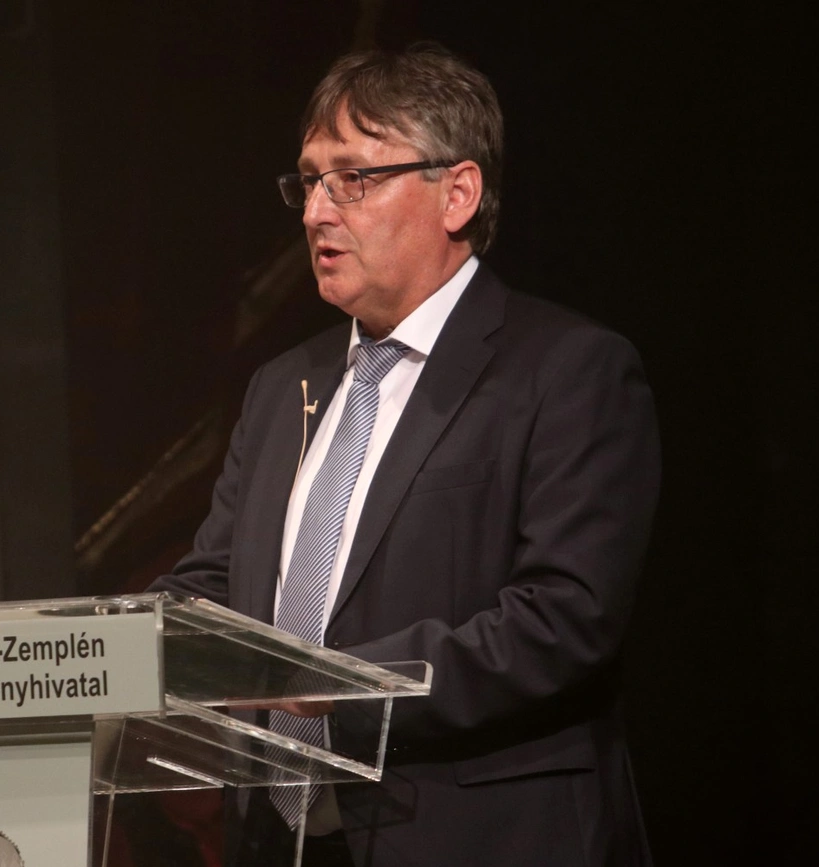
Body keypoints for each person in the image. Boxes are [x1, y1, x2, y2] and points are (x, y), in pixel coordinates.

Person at [151, 42, 660, 867]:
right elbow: (216, 587)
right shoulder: (282, 387)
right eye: (309, 181)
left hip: (480, 840)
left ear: (457, 193)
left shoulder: (566, 371)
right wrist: (103, 650)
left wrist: (337, 686)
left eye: (353, 178)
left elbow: (565, 617)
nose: (317, 212)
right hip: (282, 843)